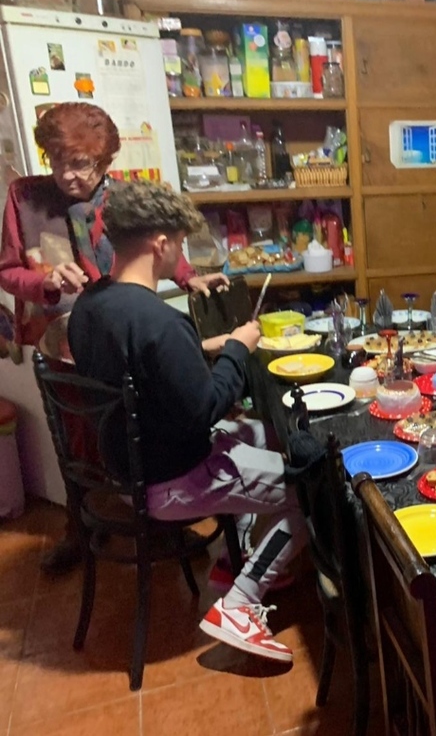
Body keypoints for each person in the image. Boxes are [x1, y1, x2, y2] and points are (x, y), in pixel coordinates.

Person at [67, 179, 305, 662]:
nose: (180, 256)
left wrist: (207, 347)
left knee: (266, 432)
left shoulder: (91, 307)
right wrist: (238, 348)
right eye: (177, 244)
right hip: (174, 479)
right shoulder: (160, 320)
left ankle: (235, 558)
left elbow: (142, 371)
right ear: (160, 244)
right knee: (309, 488)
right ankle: (239, 605)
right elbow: (203, 410)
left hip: (129, 467)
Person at [0, 102, 229, 573]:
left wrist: (189, 278)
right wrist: (44, 282)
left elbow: (154, 244)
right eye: (58, 162)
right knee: (77, 442)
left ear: (104, 162)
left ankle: (157, 518)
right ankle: (79, 530)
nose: (68, 175)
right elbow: (8, 271)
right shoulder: (24, 198)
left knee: (138, 430)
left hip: (116, 334)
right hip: (61, 340)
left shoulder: (121, 198)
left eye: (81, 164)